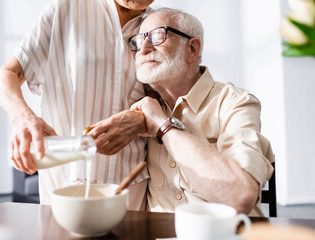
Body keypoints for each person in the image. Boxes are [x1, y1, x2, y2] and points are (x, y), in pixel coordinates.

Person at [90, 8, 275, 217]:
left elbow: (239, 197)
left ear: (192, 49)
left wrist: (162, 125)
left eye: (158, 36)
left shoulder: (235, 103)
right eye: (138, 41)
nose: (143, 49)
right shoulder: (138, 105)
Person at [0, 0, 155, 210]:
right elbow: (8, 73)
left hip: (130, 189)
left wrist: (141, 120)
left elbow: (168, 103)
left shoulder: (159, 28)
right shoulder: (65, 9)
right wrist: (23, 117)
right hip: (62, 185)